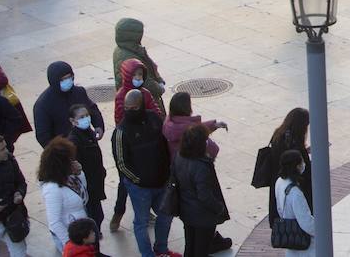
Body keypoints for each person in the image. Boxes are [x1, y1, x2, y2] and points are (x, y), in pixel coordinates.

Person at [111, 89, 172, 257]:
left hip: (162, 182)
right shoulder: (121, 132)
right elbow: (121, 164)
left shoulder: (153, 119)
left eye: (134, 107)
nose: (131, 111)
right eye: (127, 108)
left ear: (142, 105)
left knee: (166, 216)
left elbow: (165, 145)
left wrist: (168, 172)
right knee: (141, 222)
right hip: (140, 188)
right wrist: (139, 180)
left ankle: (161, 249)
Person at [169, 125, 229, 257]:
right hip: (203, 216)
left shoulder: (179, 157)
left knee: (190, 247)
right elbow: (204, 196)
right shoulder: (201, 166)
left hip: (187, 212)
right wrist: (219, 208)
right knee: (201, 250)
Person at [32, 62, 104, 150]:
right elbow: (43, 136)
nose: (67, 81)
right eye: (63, 79)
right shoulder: (43, 105)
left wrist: (98, 125)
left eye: (69, 77)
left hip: (87, 143)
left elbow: (92, 109)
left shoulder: (79, 92)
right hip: (66, 151)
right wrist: (61, 153)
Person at [39, 136, 89, 253]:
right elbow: (54, 222)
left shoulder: (69, 177)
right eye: (69, 160)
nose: (72, 162)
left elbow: (83, 193)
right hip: (71, 237)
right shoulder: (52, 188)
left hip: (81, 230)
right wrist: (70, 242)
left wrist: (79, 173)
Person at [259, 109, 311, 218]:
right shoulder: (294, 142)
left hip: (277, 180)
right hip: (291, 183)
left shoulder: (279, 134)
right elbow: (303, 166)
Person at [66, 103, 107, 236]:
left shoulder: (89, 133)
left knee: (97, 214)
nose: (86, 118)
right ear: (73, 121)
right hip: (87, 184)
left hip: (95, 180)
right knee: (93, 215)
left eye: (87, 115)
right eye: (82, 116)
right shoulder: (74, 140)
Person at [274, 151, 314, 256]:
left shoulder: (279, 182)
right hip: (304, 242)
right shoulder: (295, 192)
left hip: (290, 234)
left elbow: (279, 207)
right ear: (296, 166)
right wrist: (320, 231)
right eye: (301, 162)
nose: (303, 165)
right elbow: (306, 222)